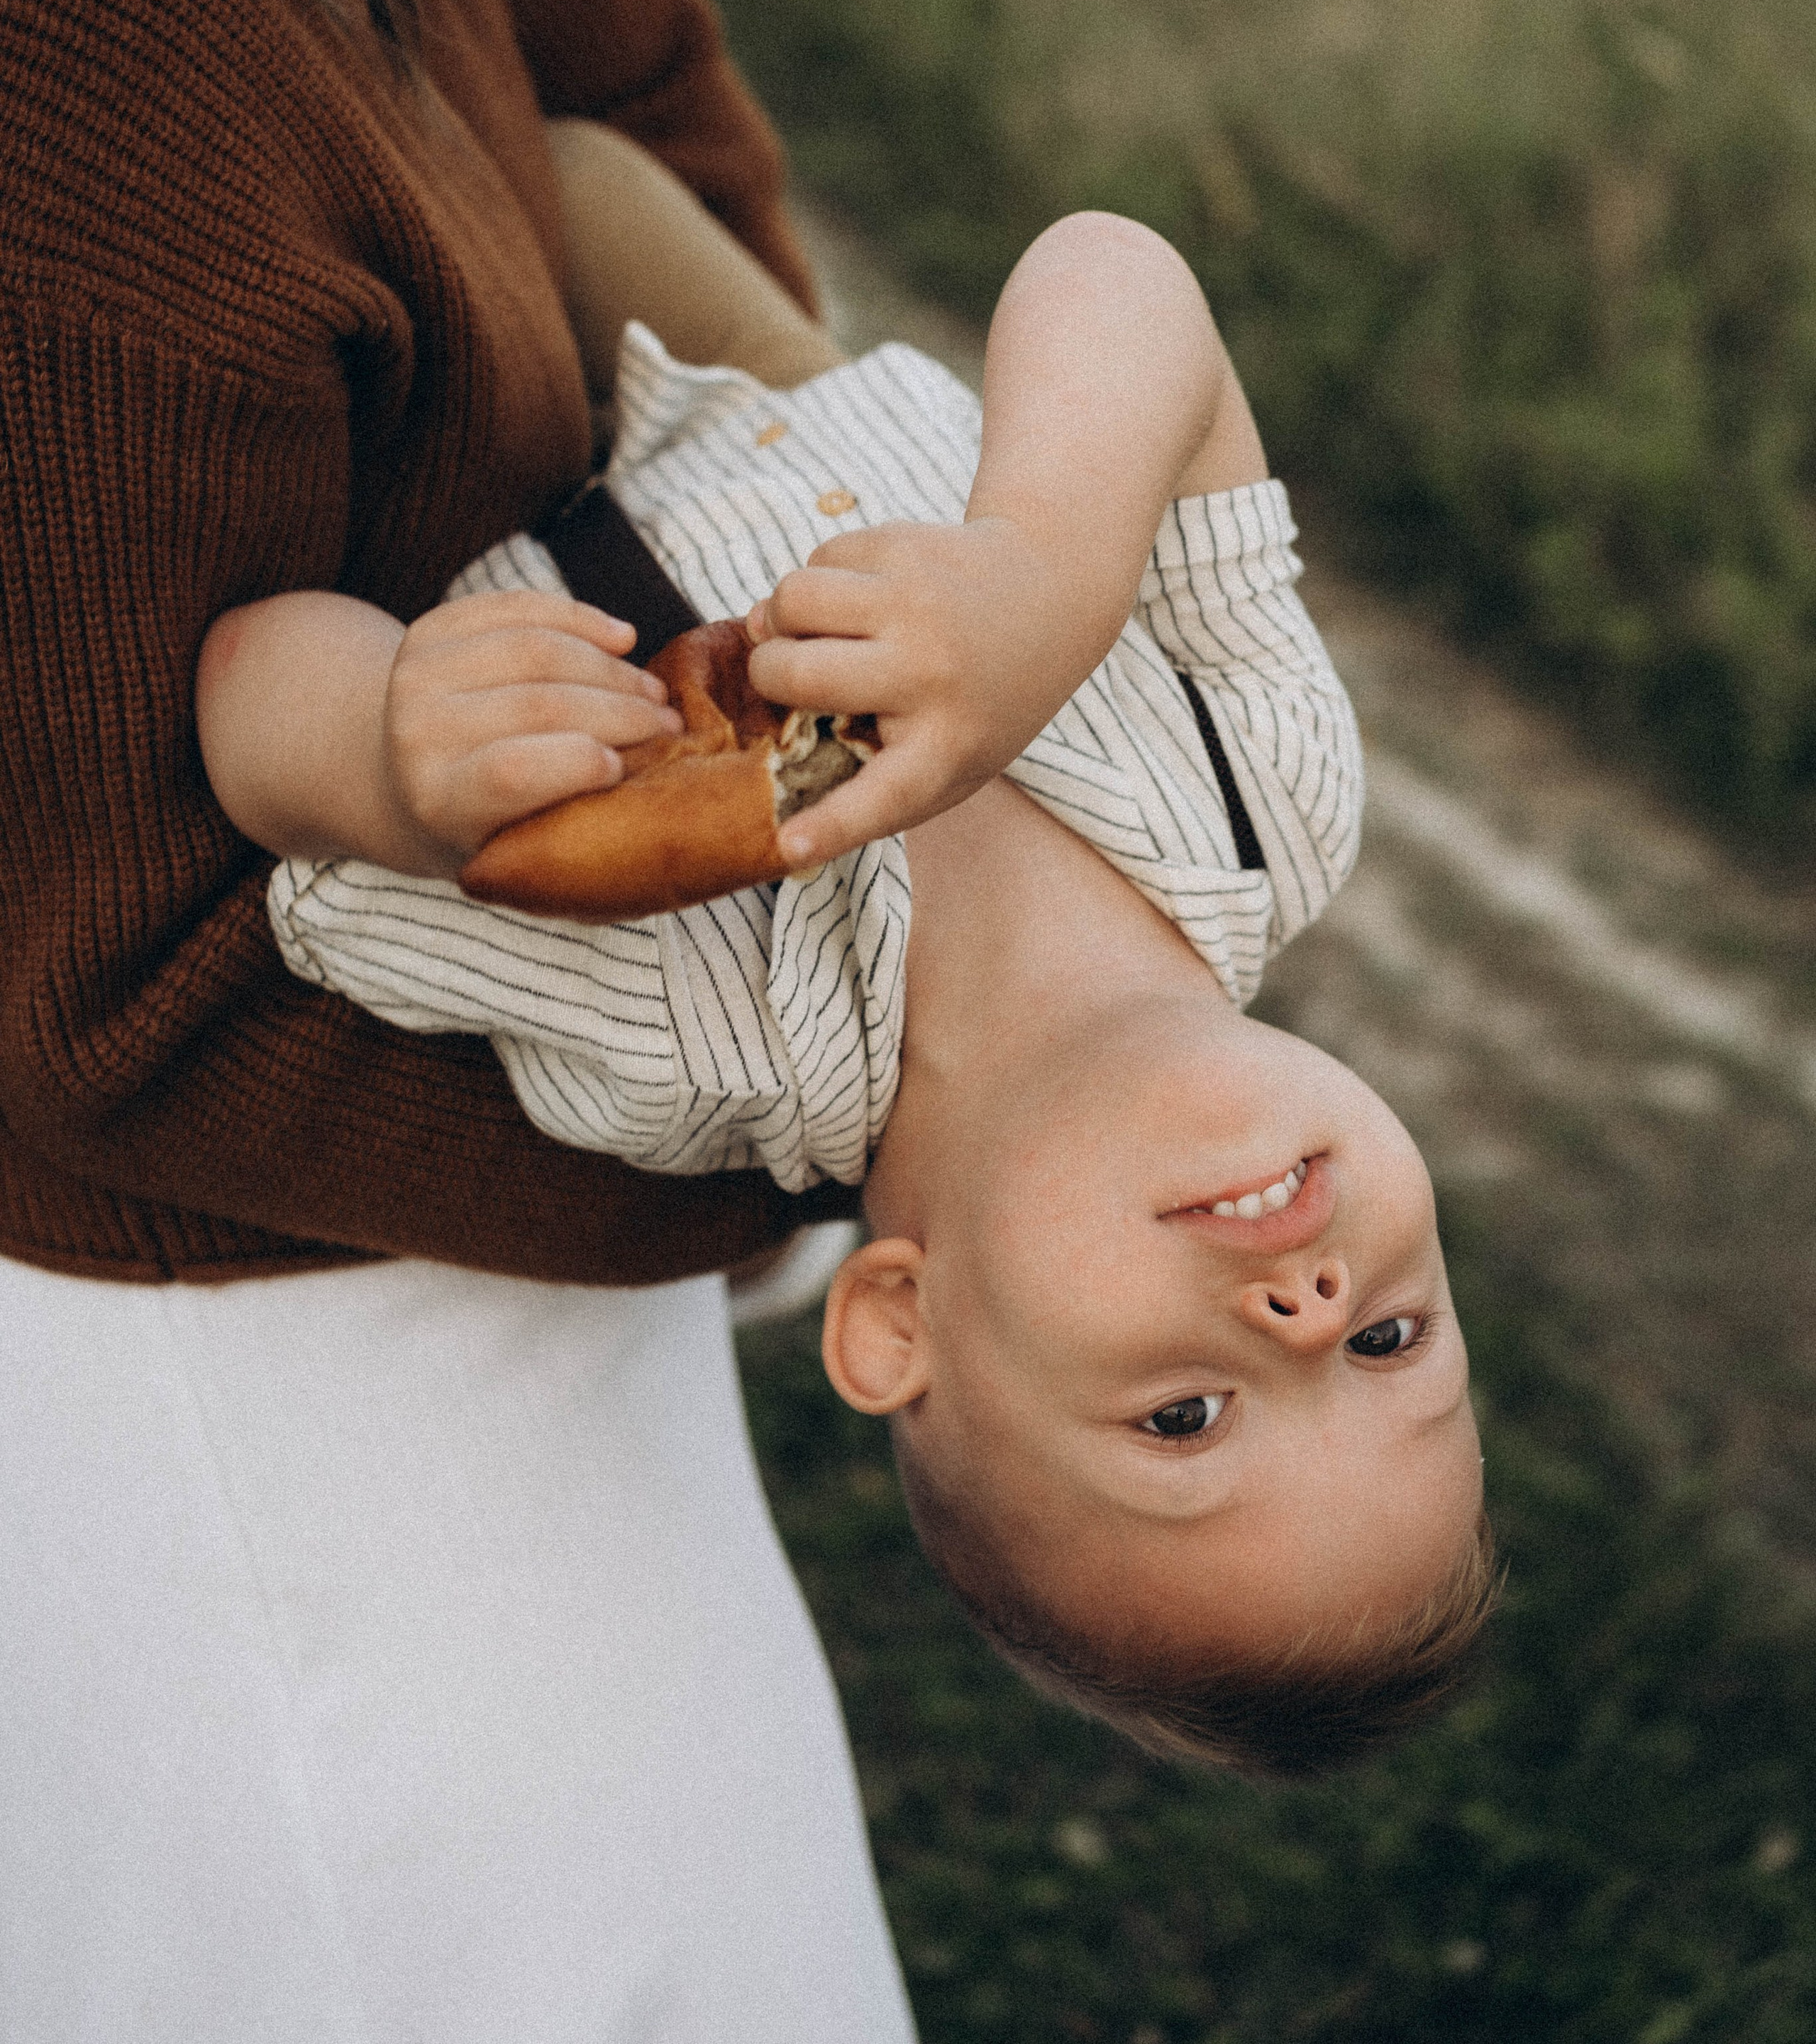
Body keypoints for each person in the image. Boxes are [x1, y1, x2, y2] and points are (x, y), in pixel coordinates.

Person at [0, 0, 918, 2031]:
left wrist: (688, 613)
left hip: (526, 1308)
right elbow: (106, 997)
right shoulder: (52, 35)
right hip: (284, 1444)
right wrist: (863, 1104)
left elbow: (657, 112)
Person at [203, 206, 1498, 1782]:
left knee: (325, 203)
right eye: (1390, 1345)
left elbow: (250, 726)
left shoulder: (687, 1044)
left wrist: (389, 756)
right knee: (554, 130)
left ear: (898, 1320)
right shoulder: (1269, 796)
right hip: (755, 361)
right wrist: (1042, 568)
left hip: (478, 453)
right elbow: (1113, 276)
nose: (1307, 1314)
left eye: (1184, 1420)